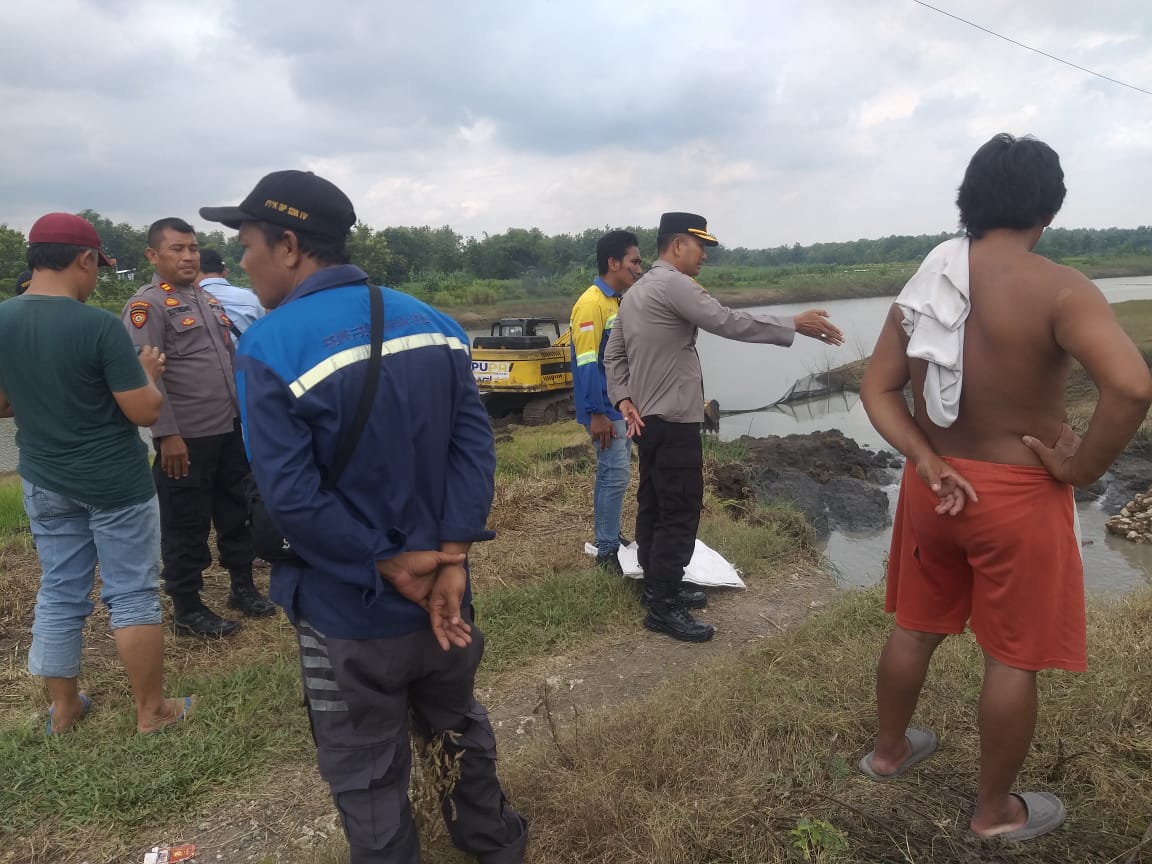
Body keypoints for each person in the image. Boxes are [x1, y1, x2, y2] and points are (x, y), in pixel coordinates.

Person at [201, 170, 527, 864]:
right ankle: (493, 843)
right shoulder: (435, 323)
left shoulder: (268, 346)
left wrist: (385, 561)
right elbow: (474, 449)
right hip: (447, 595)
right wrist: (452, 555)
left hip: (348, 609)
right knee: (458, 725)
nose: (240, 262)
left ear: (289, 244)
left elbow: (291, 497)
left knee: (365, 766)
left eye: (248, 243)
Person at [858, 133, 1152, 841]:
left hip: (936, 487)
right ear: (1047, 211)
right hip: (1018, 497)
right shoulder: (1060, 287)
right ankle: (994, 814)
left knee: (915, 627)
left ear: (971, 200)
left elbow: (878, 388)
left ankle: (888, 752)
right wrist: (1081, 469)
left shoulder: (927, 283)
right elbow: (1133, 385)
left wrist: (927, 459)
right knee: (1013, 657)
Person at [605, 212, 844, 642]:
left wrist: (623, 398)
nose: (704, 258)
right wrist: (793, 323)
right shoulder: (674, 284)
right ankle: (662, 607)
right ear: (678, 245)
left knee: (655, 504)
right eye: (701, 248)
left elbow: (614, 355)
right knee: (679, 508)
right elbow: (726, 321)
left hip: (648, 419)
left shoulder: (636, 292)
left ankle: (659, 586)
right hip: (674, 418)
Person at [0, 212, 192, 734]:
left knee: (60, 590)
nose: (95, 279)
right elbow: (144, 413)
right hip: (114, 482)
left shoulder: (4, 318)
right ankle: (152, 711)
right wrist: (148, 375)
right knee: (131, 591)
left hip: (44, 477)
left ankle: (63, 711)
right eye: (97, 268)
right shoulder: (99, 326)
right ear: (85, 259)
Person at [121, 218, 274, 638]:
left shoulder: (205, 300)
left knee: (236, 509)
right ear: (153, 255)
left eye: (192, 248)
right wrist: (166, 434)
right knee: (185, 522)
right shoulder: (147, 306)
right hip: (185, 437)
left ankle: (242, 587)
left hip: (227, 428)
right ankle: (187, 608)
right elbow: (147, 377)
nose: (187, 256)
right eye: (176, 249)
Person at [569, 229, 643, 575]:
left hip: (616, 405)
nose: (638, 269)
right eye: (634, 261)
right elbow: (585, 363)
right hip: (605, 408)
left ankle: (607, 538)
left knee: (611, 475)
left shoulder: (616, 301)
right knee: (616, 476)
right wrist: (596, 413)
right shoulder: (591, 303)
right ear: (613, 263)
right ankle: (608, 549)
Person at [198, 248, 264, 343]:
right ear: (224, 271)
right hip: (244, 356)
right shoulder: (251, 297)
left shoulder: (189, 299)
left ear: (195, 269)